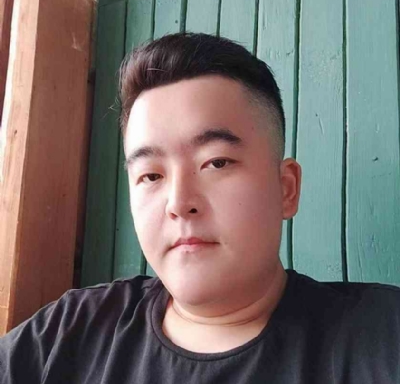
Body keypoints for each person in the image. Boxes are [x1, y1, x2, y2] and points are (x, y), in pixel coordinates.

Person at [1, 32, 400, 384]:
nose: (179, 203)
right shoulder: (65, 334)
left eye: (216, 163)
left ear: (286, 189)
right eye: (151, 175)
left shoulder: (383, 337)